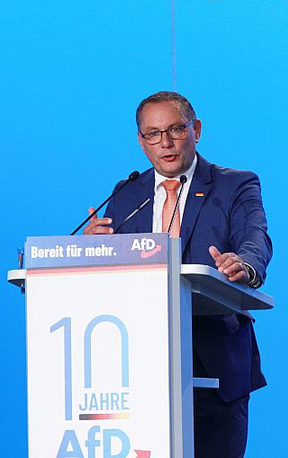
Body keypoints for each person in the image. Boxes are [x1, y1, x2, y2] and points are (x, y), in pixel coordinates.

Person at [84, 91, 272, 458]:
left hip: (212, 363)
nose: (165, 143)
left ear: (196, 129)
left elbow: (256, 238)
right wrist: (92, 250)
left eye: (175, 130)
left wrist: (244, 265)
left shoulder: (235, 184)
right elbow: (116, 270)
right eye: (152, 134)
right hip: (134, 369)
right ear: (141, 141)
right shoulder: (126, 193)